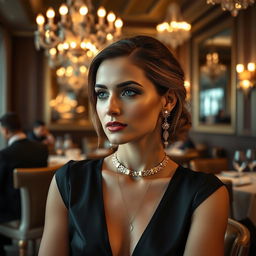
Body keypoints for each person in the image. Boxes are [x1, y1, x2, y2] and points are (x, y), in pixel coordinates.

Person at [39, 36, 229, 256]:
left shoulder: (205, 195)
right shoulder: (69, 182)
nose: (110, 108)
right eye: (102, 94)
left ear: (167, 100)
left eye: (129, 91)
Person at [0, 113, 48, 253]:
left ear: (6, 131)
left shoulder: (5, 155)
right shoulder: (41, 149)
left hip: (16, 214)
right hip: (40, 212)